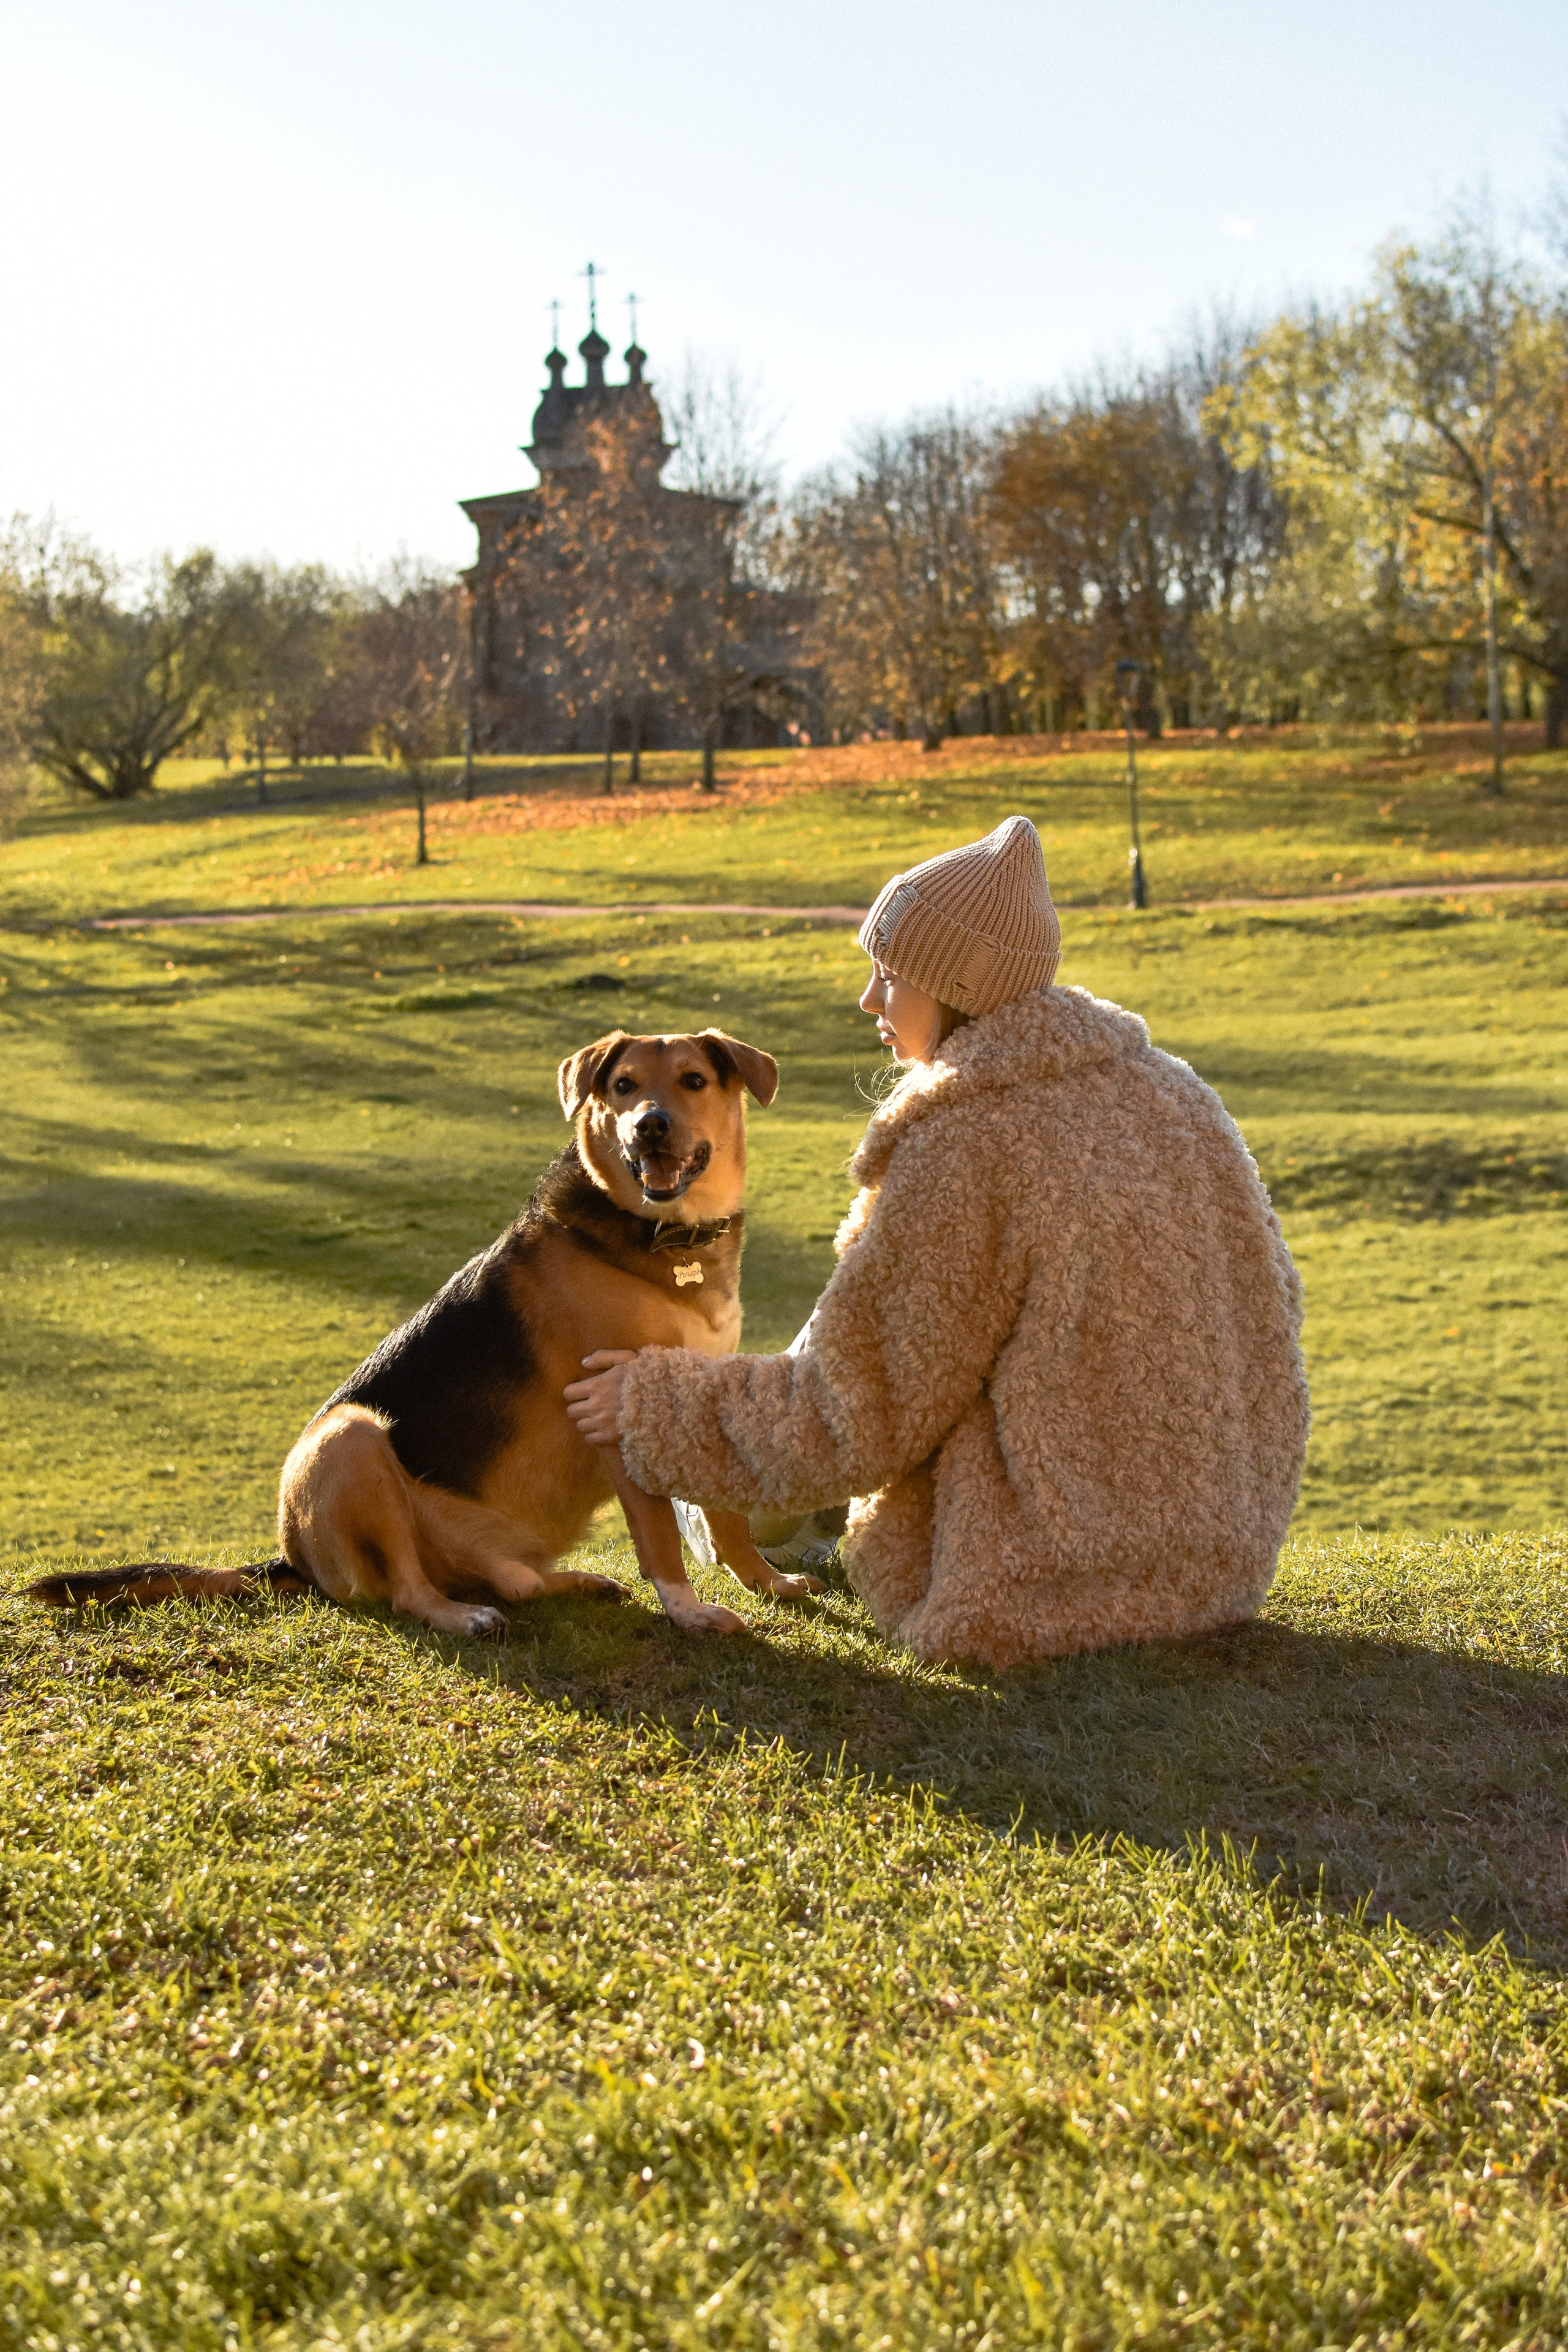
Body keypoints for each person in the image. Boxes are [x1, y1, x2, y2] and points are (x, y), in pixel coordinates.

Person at [565, 816, 1310, 1669]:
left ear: (958, 984)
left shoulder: (967, 1140)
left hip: (1044, 1578)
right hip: (1215, 1555)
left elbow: (860, 1411)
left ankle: (723, 1522)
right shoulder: (1176, 1093)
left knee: (836, 1360)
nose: (869, 1001)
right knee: (876, 1315)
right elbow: (1269, 1317)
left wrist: (654, 1405)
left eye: (889, 976)